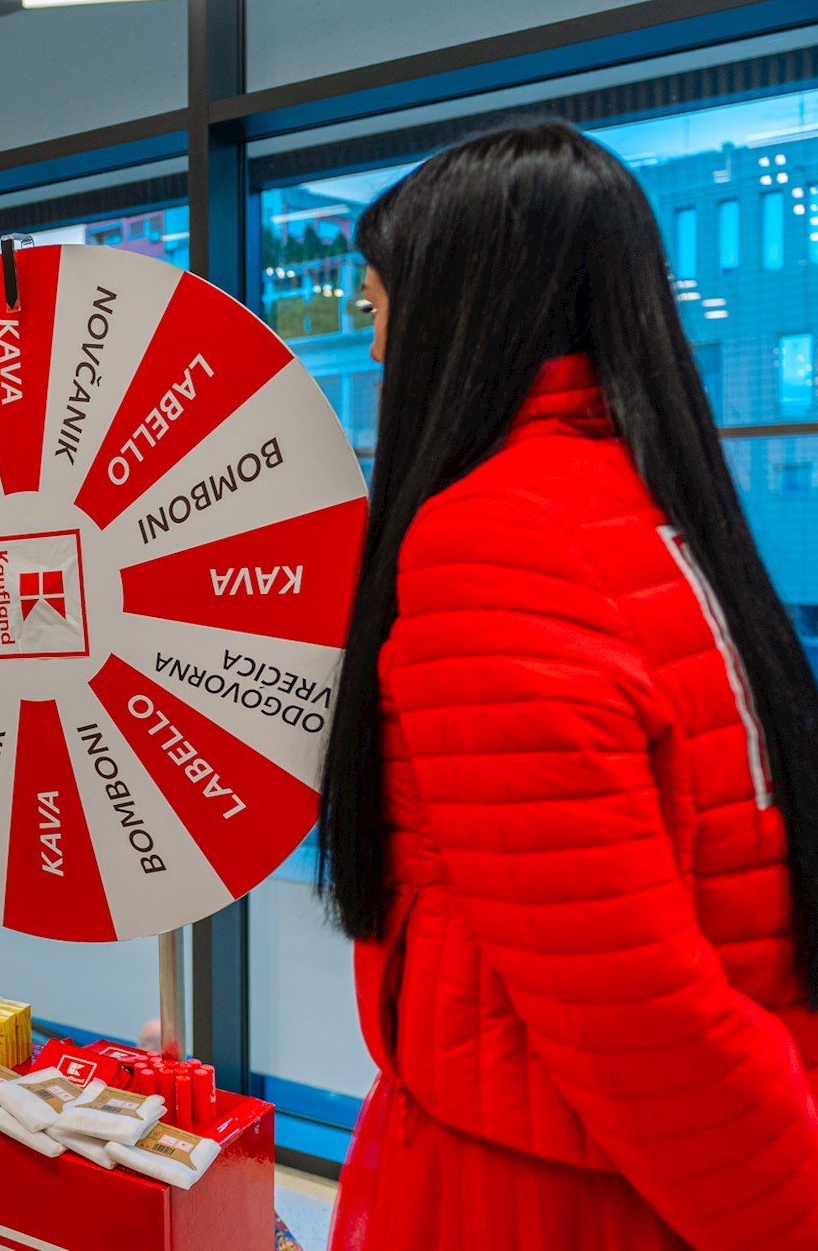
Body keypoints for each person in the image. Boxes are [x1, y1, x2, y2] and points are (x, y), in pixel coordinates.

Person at [320, 120, 818, 1249]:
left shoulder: (492, 542)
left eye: (381, 304)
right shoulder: (635, 502)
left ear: (463, 311)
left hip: (549, 1187)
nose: (380, 345)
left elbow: (633, 1009)